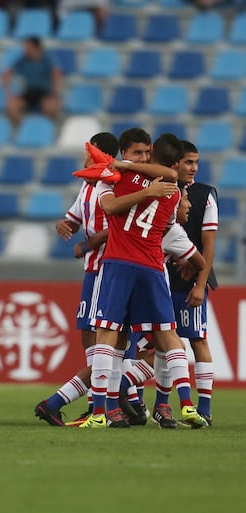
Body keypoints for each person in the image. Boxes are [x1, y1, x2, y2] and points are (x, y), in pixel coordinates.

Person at [81, 133, 208, 429]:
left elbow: (110, 208)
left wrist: (123, 169)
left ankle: (99, 411)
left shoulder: (115, 178)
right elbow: (169, 183)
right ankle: (185, 404)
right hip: (152, 267)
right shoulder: (173, 191)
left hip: (119, 264)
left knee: (108, 335)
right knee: (167, 337)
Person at [34, 132, 119, 426]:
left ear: (99, 155)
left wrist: (91, 242)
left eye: (89, 152)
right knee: (90, 338)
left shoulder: (114, 184)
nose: (84, 157)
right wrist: (65, 224)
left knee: (110, 341)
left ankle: (98, 404)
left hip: (111, 269)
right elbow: (75, 217)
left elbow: (121, 225)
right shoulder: (87, 185)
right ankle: (100, 403)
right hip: (92, 271)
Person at [165, 141, 217, 426]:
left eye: (196, 162)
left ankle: (204, 408)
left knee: (197, 338)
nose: (193, 167)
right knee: (155, 344)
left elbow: (209, 246)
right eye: (188, 162)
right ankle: (155, 405)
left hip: (189, 281)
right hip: (161, 276)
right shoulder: (163, 189)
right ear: (175, 163)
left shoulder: (205, 195)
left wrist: (200, 283)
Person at [1, 36, 61, 125]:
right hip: (28, 93)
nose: (26, 50)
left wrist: (55, 93)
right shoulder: (22, 60)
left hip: (44, 93)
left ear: (37, 48)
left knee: (52, 106)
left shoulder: (47, 60)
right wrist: (9, 93)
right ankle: (24, 128)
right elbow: (6, 74)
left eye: (28, 48)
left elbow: (56, 74)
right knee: (11, 106)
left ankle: (43, 127)